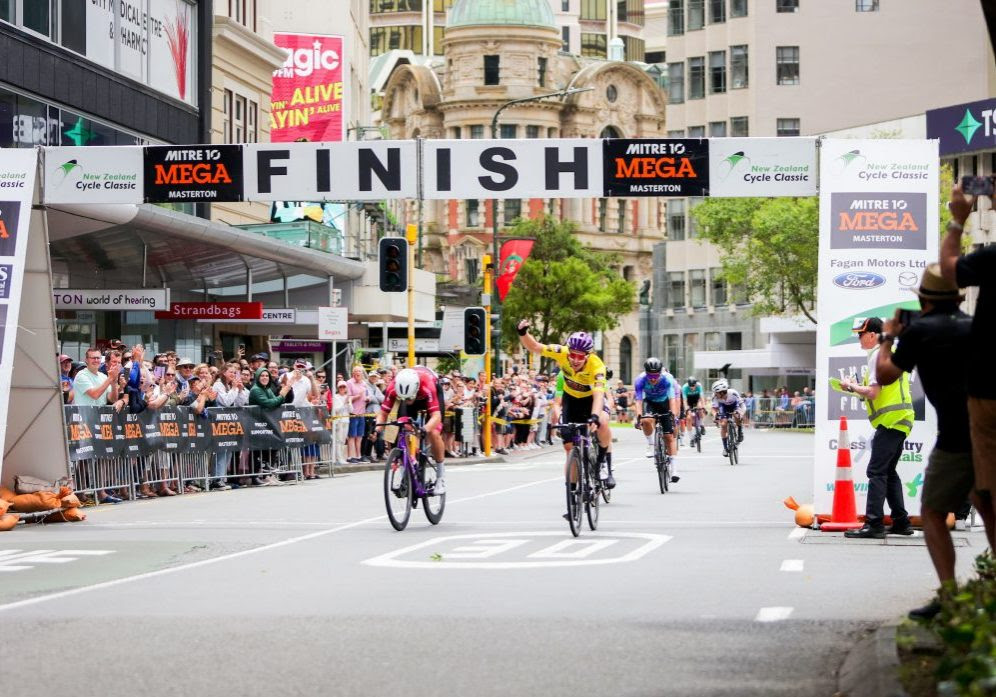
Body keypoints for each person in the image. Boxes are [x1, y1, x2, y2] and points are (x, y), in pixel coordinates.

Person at [874, 264, 979, 620]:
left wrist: (890, 336)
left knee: (933, 511)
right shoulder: (974, 327)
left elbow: (885, 374)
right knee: (988, 504)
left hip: (954, 436)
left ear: (923, 299)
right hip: (987, 427)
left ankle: (949, 595)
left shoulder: (920, 331)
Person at [939, 182, 996, 555]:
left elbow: (949, 271)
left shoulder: (992, 258)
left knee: (986, 490)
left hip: (990, 389)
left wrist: (958, 220)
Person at [839, 317, 914, 540]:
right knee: (888, 472)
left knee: (876, 472)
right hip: (901, 419)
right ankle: (901, 523)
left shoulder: (877, 356)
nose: (858, 338)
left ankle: (874, 524)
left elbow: (874, 393)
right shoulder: (891, 352)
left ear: (872, 334)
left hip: (890, 420)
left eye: (860, 334)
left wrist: (850, 386)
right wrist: (856, 388)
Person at [516, 320, 614, 488]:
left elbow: (599, 395)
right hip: (571, 399)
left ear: (588, 356)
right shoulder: (561, 352)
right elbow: (535, 347)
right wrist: (523, 333)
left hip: (591, 399)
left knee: (603, 423)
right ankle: (573, 494)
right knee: (570, 447)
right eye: (572, 355)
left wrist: (595, 416)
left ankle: (603, 461)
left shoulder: (596, 365)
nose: (575, 360)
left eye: (580, 357)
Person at [374, 366, 447, 495]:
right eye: (406, 399)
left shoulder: (427, 385)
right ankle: (409, 467)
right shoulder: (392, 388)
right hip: (405, 396)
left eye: (409, 398)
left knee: (434, 432)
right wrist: (377, 427)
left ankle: (441, 477)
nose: (408, 401)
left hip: (429, 396)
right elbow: (383, 413)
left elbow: (436, 416)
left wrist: (425, 429)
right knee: (404, 426)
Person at [633, 357, 681, 481]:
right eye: (650, 376)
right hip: (649, 402)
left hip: (665, 403)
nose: (653, 379)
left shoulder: (667, 379)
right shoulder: (640, 380)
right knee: (646, 420)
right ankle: (650, 443)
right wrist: (638, 417)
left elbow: (672, 399)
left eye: (656, 376)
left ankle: (674, 469)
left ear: (660, 373)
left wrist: (674, 416)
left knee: (669, 437)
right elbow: (638, 401)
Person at [711, 380, 745, 457]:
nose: (715, 394)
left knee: (737, 416)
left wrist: (741, 413)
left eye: (716, 393)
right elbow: (713, 408)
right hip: (723, 407)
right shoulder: (715, 397)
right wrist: (715, 415)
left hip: (735, 406)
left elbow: (742, 405)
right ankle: (725, 448)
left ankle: (739, 431)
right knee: (723, 424)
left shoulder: (733, 393)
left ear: (721, 392)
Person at [683, 376, 705, 441]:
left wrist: (703, 406)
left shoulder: (699, 385)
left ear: (696, 384)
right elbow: (684, 400)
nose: (692, 387)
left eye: (693, 386)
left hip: (696, 399)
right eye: (690, 386)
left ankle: (701, 424)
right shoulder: (684, 387)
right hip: (689, 401)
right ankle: (691, 438)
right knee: (689, 418)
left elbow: (701, 397)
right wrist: (687, 409)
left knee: (700, 407)